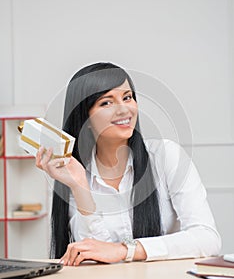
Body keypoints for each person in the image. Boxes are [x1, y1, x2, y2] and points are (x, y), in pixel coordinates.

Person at [36, 62, 221, 265]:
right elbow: (96, 254)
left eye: (127, 97)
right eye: (106, 103)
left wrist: (126, 250)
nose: (124, 109)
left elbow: (207, 238)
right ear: (85, 119)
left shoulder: (166, 156)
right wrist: (80, 187)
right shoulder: (76, 175)